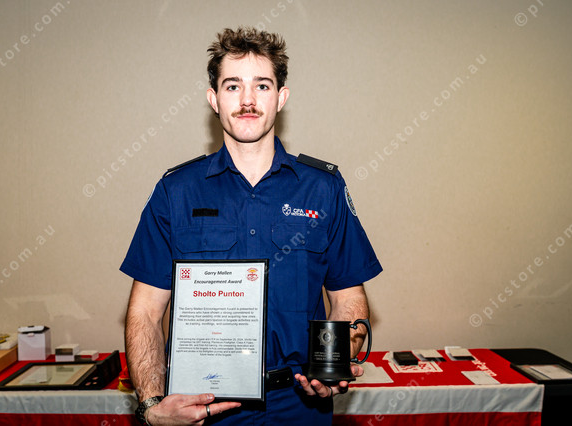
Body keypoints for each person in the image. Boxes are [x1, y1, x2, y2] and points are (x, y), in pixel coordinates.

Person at [121, 27, 382, 425]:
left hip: (301, 406)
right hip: (203, 408)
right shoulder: (175, 192)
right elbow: (144, 311)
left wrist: (331, 367)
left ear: (281, 97)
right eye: (232, 86)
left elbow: (348, 297)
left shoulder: (323, 188)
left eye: (262, 85)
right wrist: (151, 404)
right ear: (214, 99)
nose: (247, 100)